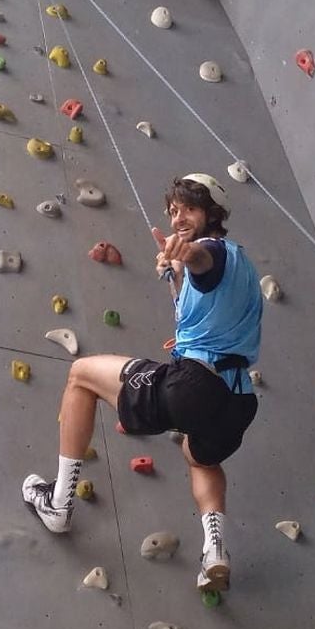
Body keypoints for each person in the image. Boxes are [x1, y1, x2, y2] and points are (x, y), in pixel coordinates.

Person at [21, 174, 264, 591]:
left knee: (80, 375)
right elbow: (199, 306)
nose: (178, 217)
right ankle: (214, 551)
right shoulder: (242, 262)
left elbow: (206, 264)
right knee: (200, 458)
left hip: (195, 385)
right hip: (237, 400)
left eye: (189, 207)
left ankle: (58, 503)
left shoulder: (212, 252)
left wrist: (188, 257)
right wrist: (176, 273)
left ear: (212, 214)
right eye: (173, 211)